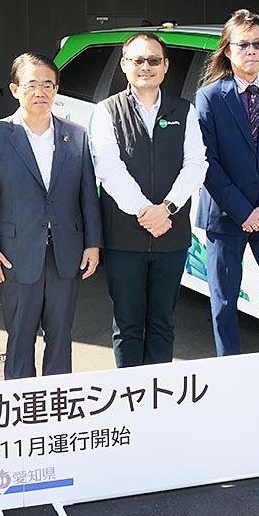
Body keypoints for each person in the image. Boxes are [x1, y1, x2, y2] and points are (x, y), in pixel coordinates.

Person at [0, 52, 102, 379]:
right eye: (31, 85)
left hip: (65, 252)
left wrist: (93, 243)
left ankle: (58, 401)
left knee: (61, 336)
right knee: (20, 337)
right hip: (16, 253)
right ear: (15, 89)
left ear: (56, 90)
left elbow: (88, 194)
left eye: (48, 85)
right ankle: (20, 400)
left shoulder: (76, 135)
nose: (40, 92)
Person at [89, 33, 207, 367]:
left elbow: (196, 164)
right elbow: (109, 169)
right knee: (127, 325)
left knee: (162, 323)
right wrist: (145, 211)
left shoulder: (184, 111)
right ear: (124, 65)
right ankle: (131, 392)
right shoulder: (107, 111)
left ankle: (158, 392)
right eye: (138, 60)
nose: (146, 67)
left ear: (165, 66)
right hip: (124, 237)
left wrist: (167, 209)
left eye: (154, 60)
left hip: (171, 234)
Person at [195, 9, 259, 355]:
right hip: (226, 216)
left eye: (258, 44)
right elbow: (207, 163)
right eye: (243, 45)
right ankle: (229, 372)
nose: (252, 51)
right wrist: (244, 211)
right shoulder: (210, 97)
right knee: (224, 302)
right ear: (228, 49)